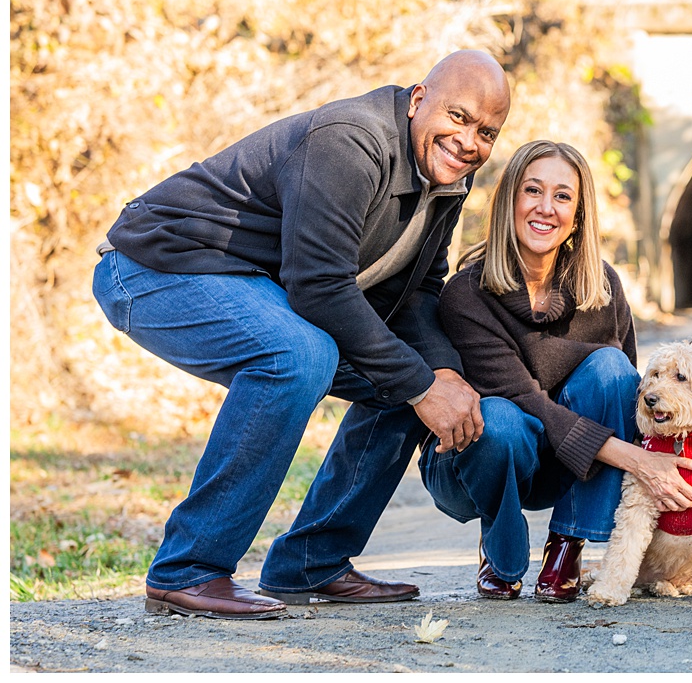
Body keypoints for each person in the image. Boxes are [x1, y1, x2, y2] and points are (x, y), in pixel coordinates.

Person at [92, 49, 511, 619]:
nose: (469, 142)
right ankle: (188, 569)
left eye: (487, 132)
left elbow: (419, 291)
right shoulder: (350, 141)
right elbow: (318, 287)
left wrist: (438, 375)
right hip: (156, 268)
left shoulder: (445, 182)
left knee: (408, 380)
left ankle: (312, 562)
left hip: (258, 288)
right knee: (299, 354)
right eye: (458, 117)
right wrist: (423, 383)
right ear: (418, 100)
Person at [424, 139, 692, 603]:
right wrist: (636, 460)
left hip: (567, 463)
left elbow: (628, 397)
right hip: (473, 459)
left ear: (578, 213)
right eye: (533, 190)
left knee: (612, 369)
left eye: (562, 196)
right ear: (510, 199)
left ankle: (566, 544)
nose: (546, 208)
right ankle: (499, 544)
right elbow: (524, 401)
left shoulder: (602, 286)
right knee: (502, 421)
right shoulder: (467, 294)